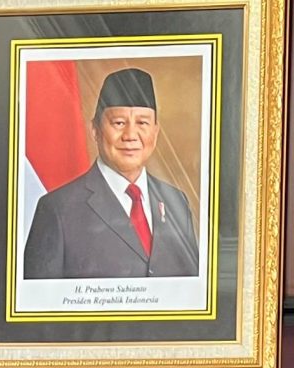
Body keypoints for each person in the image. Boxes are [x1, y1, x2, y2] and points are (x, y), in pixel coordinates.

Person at [20, 66, 202, 280]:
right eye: (119, 123)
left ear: (155, 132)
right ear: (95, 130)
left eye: (142, 123)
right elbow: (39, 297)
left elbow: (192, 288)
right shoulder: (58, 209)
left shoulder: (176, 202)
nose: (130, 135)